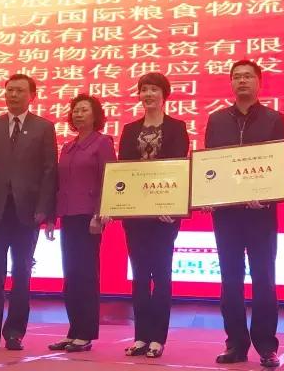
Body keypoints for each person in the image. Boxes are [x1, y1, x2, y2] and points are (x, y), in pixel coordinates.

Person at [204, 59, 284, 368]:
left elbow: (279, 164)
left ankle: (266, 346)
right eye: (237, 76)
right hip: (226, 214)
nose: (242, 81)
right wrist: (208, 193)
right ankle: (235, 344)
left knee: (264, 279)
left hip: (261, 213)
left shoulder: (274, 119)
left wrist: (266, 195)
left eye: (248, 76)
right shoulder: (216, 120)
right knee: (230, 279)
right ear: (230, 83)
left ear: (259, 82)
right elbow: (210, 164)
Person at [0, 74, 57, 351]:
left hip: (27, 212)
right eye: (9, 90)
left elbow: (49, 171)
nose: (13, 95)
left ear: (32, 95)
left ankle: (15, 332)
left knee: (21, 271)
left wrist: (44, 209)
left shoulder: (44, 127)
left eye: (19, 91)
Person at [119, 73, 189, 359]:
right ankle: (140, 337)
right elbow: (123, 170)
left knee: (161, 274)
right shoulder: (129, 129)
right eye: (144, 90)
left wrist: (170, 204)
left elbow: (178, 167)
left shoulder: (177, 127)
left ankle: (158, 338)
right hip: (136, 212)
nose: (148, 94)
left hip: (164, 213)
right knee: (139, 275)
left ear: (164, 95)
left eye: (154, 90)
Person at [46, 94, 116, 353]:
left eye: (84, 110)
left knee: (86, 275)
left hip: (89, 217)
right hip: (68, 215)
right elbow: (58, 184)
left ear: (95, 115)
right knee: (71, 275)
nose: (78, 114)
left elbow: (109, 179)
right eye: (75, 110)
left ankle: (85, 334)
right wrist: (51, 218)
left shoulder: (102, 142)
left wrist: (100, 213)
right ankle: (73, 330)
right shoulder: (68, 146)